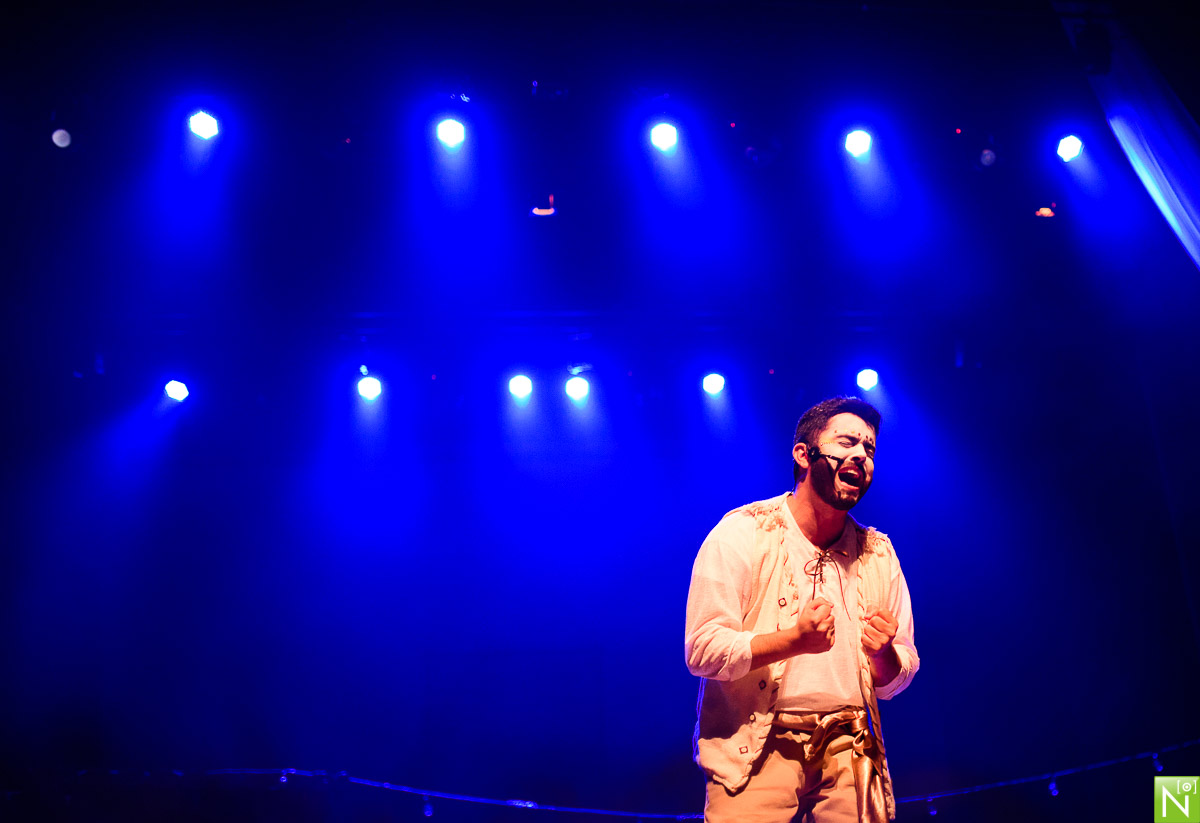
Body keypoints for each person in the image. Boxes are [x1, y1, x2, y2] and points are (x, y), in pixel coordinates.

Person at [684, 396, 918, 823]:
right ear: (803, 454)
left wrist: (884, 654)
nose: (860, 457)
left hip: (850, 748)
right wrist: (793, 641)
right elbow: (703, 650)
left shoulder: (878, 554)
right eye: (847, 442)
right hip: (756, 746)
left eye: (869, 450)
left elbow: (896, 678)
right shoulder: (743, 533)